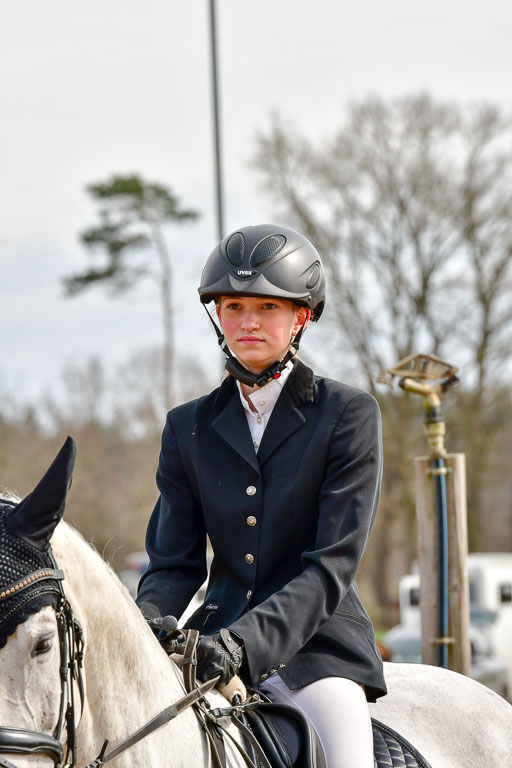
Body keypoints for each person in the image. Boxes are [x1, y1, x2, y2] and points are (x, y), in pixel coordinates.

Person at [137, 224, 387, 767]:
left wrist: (244, 645)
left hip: (317, 652)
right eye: (233, 305)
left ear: (300, 316)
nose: (248, 322)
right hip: (209, 647)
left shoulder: (348, 415)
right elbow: (174, 564)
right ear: (217, 314)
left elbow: (330, 566)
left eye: (267, 307)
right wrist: (149, 621)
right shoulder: (188, 427)